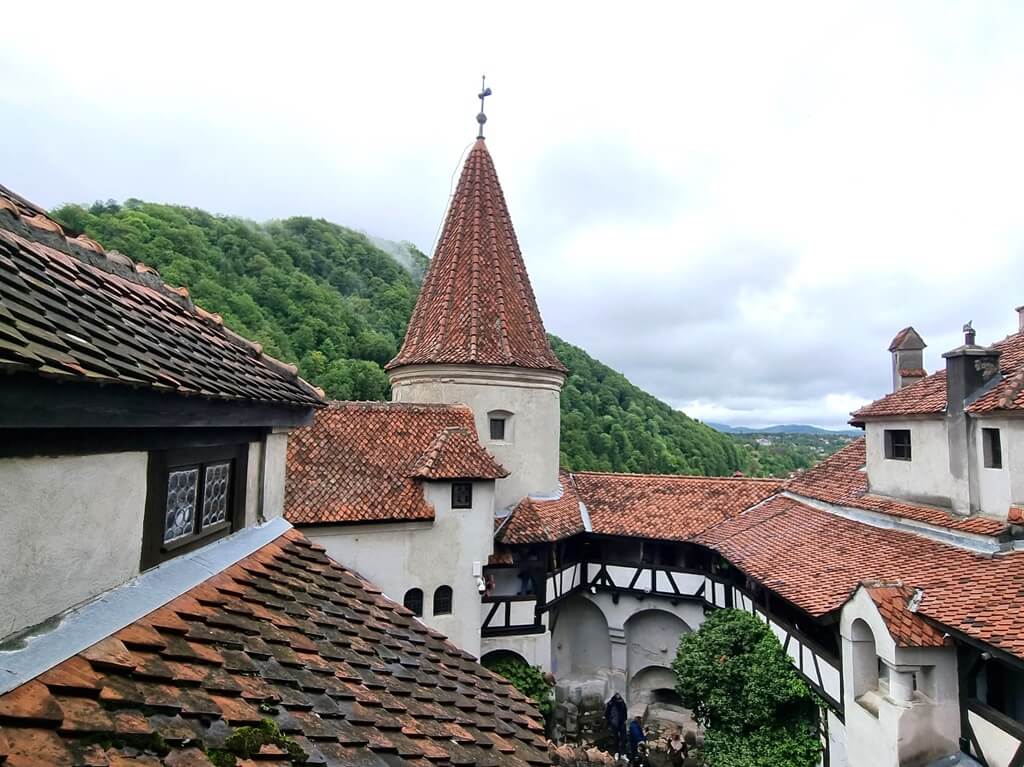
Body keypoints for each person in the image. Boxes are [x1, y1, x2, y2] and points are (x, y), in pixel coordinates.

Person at [604, 692, 627, 759]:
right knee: (615, 739)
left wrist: (624, 719)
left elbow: (625, 711)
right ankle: (616, 753)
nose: (619, 699)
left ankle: (623, 753)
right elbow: (607, 714)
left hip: (622, 723)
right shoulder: (611, 704)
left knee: (623, 739)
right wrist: (611, 721)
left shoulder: (622, 702)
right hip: (614, 724)